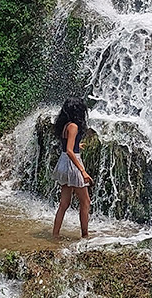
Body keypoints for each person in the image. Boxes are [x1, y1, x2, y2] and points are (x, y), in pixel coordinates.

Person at [52, 97, 94, 239]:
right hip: (72, 164)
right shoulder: (74, 126)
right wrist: (83, 171)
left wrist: (78, 146)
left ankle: (55, 234)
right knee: (85, 202)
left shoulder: (66, 125)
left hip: (62, 162)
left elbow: (67, 146)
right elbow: (70, 150)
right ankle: (85, 235)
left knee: (64, 203)